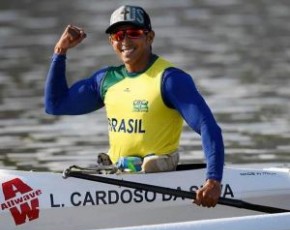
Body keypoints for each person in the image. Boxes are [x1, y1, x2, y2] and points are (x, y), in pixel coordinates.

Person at [45, 5, 224, 208]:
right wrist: (60, 51)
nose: (125, 41)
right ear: (111, 41)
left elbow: (207, 126)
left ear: (150, 37)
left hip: (159, 177)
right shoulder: (105, 80)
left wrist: (213, 180)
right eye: (118, 35)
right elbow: (55, 105)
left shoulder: (170, 79)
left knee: (151, 164)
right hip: (118, 178)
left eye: (134, 33)